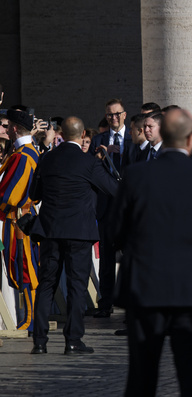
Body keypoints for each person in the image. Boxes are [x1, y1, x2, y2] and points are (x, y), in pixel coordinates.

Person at [111, 107, 192, 396]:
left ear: (163, 134)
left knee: (141, 376)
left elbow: (116, 232)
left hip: (145, 286)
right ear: (191, 139)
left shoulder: (136, 175)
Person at [30, 116, 118, 355]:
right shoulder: (88, 162)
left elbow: (34, 193)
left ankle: (39, 341)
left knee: (46, 284)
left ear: (63, 134)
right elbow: (113, 189)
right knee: (77, 286)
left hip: (50, 230)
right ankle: (73, 340)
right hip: (79, 232)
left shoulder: (46, 158)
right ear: (81, 137)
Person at [90, 99, 133, 318]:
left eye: (117, 114)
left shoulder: (133, 138)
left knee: (131, 256)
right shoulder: (98, 140)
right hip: (106, 207)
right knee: (106, 259)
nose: (113, 118)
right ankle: (105, 303)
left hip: (128, 208)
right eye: (109, 115)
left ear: (124, 115)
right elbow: (89, 169)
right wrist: (99, 155)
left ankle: (131, 307)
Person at [0, 109, 40, 333]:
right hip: (19, 218)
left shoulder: (24, 156)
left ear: (15, 128)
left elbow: (11, 195)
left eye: (7, 127)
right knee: (21, 266)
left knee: (25, 266)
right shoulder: (25, 152)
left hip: (19, 221)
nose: (5, 130)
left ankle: (30, 319)